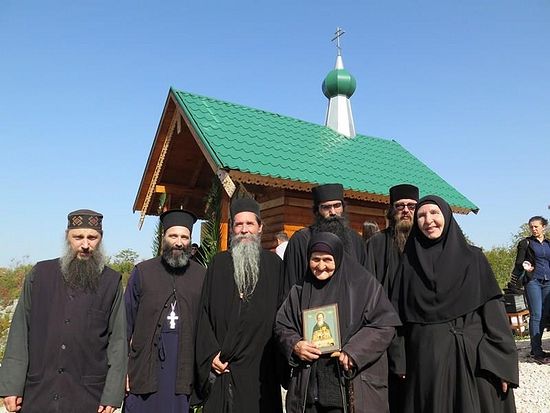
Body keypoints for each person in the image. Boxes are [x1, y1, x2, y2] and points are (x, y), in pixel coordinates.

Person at [392, 195, 518, 412]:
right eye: (421, 215)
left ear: (447, 217)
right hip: (427, 364)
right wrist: (399, 359)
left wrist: (501, 364)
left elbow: (494, 314)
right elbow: (397, 318)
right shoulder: (408, 266)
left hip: (474, 362)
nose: (428, 220)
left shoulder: (473, 259)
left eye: (434, 213)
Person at [0, 209, 126, 413]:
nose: (85, 245)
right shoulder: (40, 274)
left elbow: (118, 343)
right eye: (78, 237)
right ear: (67, 237)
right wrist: (12, 386)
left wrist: (112, 395)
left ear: (100, 239)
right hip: (38, 392)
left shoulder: (111, 281)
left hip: (87, 396)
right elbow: (19, 332)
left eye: (92, 238)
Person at [275, 232, 401, 413]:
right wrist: (295, 345)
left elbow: (384, 323)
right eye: (315, 259)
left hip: (348, 389)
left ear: (339, 258)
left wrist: (354, 352)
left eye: (327, 259)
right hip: (309, 393)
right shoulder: (300, 290)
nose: (320, 266)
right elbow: (282, 325)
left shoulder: (363, 286)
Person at [194, 197, 283, 412]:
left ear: (260, 227)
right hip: (224, 367)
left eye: (249, 224)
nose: (244, 230)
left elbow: (283, 315)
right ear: (233, 229)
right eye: (238, 224)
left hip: (261, 368)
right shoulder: (218, 264)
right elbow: (204, 314)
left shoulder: (275, 266)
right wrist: (211, 354)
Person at [124, 209, 206, 412]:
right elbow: (123, 325)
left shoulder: (202, 276)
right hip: (144, 366)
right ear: (164, 237)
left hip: (183, 367)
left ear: (190, 240)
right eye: (173, 235)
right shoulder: (143, 272)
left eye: (184, 237)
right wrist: (122, 370)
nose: (179, 242)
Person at [364, 183, 418, 413]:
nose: (405, 210)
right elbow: (368, 290)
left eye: (411, 206)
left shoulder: (426, 242)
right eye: (400, 206)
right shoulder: (376, 243)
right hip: (387, 331)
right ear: (391, 210)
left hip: (420, 330)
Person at [282, 183, 367, 297]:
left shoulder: (355, 240)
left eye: (337, 206)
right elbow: (290, 284)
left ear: (343, 207)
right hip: (313, 309)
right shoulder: (301, 240)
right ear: (317, 210)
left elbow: (365, 280)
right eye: (326, 207)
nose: (332, 212)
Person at [511, 215, 550, 363]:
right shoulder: (525, 243)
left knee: (544, 315)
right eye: (531, 227)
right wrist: (527, 267)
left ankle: (537, 347)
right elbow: (519, 262)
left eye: (536, 226)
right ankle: (536, 351)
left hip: (548, 282)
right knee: (536, 314)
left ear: (543, 227)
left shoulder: (548, 244)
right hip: (533, 281)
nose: (533, 229)